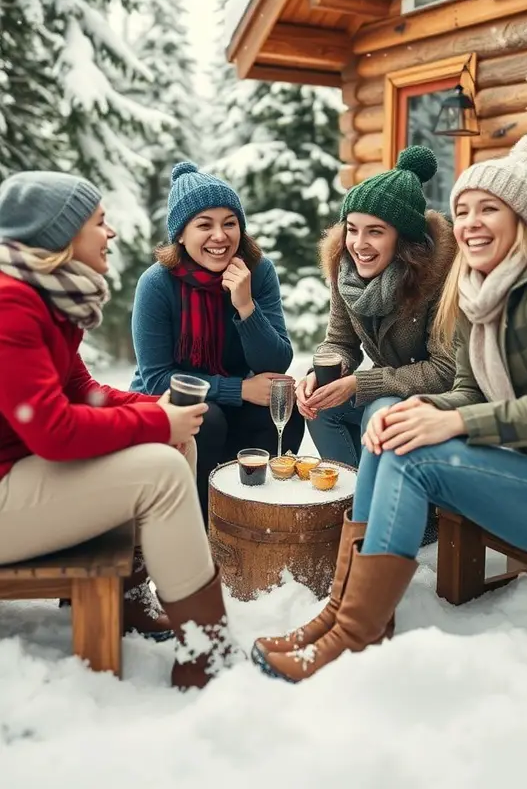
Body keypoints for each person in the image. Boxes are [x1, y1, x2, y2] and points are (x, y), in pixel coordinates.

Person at [252, 131, 527, 682]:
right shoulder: (479, 288)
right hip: (516, 464)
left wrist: (442, 414)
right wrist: (418, 408)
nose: (470, 222)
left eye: (488, 210)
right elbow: (470, 392)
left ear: (523, 219)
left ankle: (357, 631)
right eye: (463, 209)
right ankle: (344, 612)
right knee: (388, 421)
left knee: (408, 449)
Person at [0, 170, 235, 690]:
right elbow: (52, 430)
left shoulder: (43, 298)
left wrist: (160, 408)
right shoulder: (9, 304)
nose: (111, 234)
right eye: (99, 223)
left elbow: (84, 391)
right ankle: (207, 650)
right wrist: (155, 418)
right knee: (161, 469)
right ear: (61, 236)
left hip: (18, 472)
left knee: (176, 440)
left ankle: (129, 597)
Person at [131, 162, 303, 521]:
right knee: (208, 419)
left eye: (230, 222)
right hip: (175, 401)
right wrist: (239, 389)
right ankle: (202, 526)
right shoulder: (157, 284)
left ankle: (255, 519)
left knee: (285, 405)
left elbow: (276, 363)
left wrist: (245, 305)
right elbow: (157, 378)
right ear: (180, 234)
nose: (220, 236)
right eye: (204, 225)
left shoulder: (258, 272)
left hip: (236, 399)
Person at [298, 146, 456, 469]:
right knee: (322, 408)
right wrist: (323, 374)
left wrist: (360, 384)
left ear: (404, 241)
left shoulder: (437, 277)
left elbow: (445, 370)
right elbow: (340, 342)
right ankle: (351, 502)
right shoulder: (346, 271)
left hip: (438, 400)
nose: (359, 244)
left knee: (378, 410)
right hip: (388, 386)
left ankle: (376, 513)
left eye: (375, 232)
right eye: (352, 229)